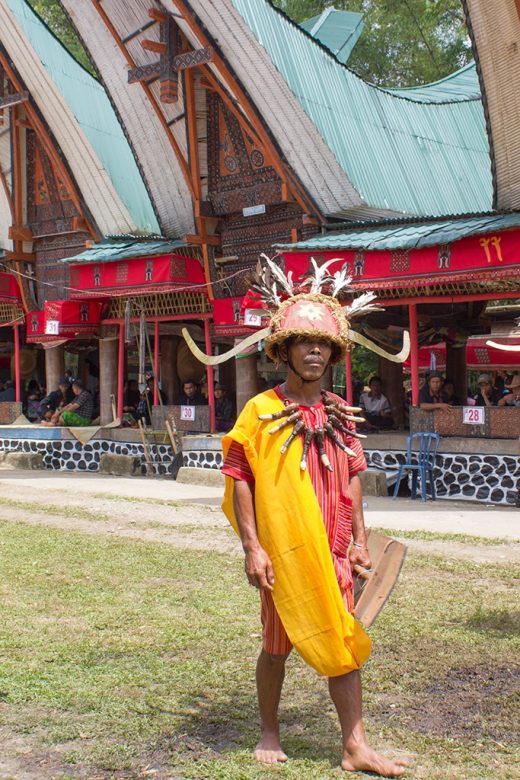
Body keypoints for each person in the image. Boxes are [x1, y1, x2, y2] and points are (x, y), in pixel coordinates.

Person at [210, 264, 408, 777]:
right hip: (286, 554)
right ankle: (270, 731)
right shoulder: (259, 410)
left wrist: (360, 541)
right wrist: (253, 547)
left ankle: (355, 746)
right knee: (276, 647)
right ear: (285, 351)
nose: (315, 352)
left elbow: (352, 479)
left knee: (343, 640)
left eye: (324, 345)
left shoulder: (341, 412)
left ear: (335, 354)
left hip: (335, 550)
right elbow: (240, 479)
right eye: (304, 344)